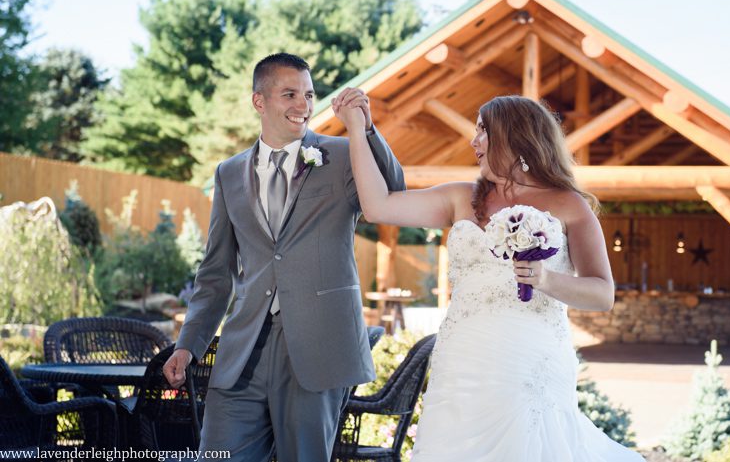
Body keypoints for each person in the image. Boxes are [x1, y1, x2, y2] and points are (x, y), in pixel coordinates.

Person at [331, 92, 643, 461]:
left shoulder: (568, 205)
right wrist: (358, 127)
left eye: (483, 131)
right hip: (462, 361)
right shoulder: (461, 198)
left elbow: (602, 294)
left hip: (530, 361)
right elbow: (378, 205)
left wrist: (545, 279)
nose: (472, 141)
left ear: (515, 137)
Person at [163, 53, 405, 461]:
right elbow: (216, 273)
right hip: (243, 351)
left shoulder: (344, 155)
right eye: (290, 94)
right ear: (259, 101)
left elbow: (393, 190)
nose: (303, 106)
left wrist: (365, 127)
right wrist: (188, 345)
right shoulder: (228, 174)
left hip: (318, 347)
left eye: (309, 95)